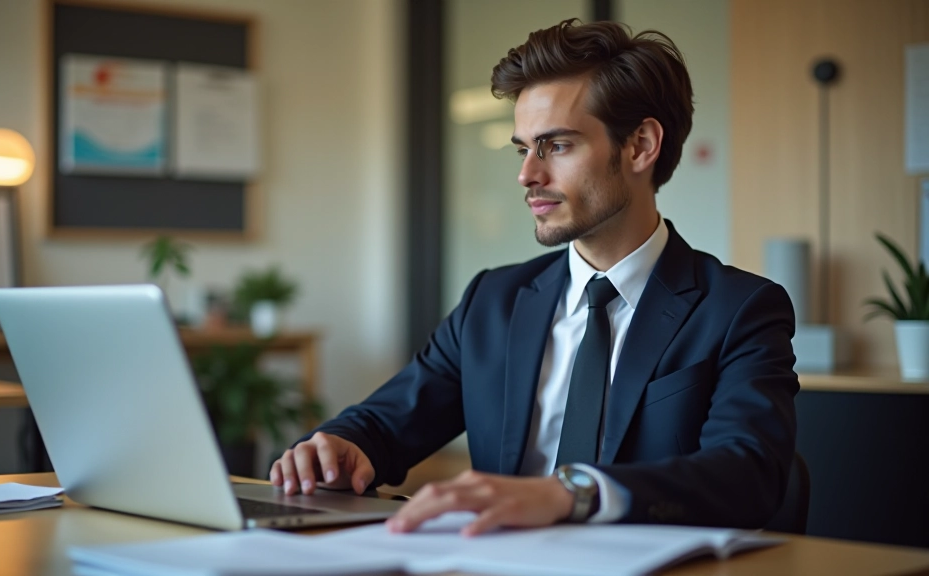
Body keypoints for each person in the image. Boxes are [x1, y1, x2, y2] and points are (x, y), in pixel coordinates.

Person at [270, 19, 798, 536]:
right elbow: (386, 424)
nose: (527, 175)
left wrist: (571, 493)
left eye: (557, 146)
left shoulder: (739, 309)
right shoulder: (493, 301)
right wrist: (338, 446)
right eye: (524, 149)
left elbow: (749, 474)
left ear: (640, 146)